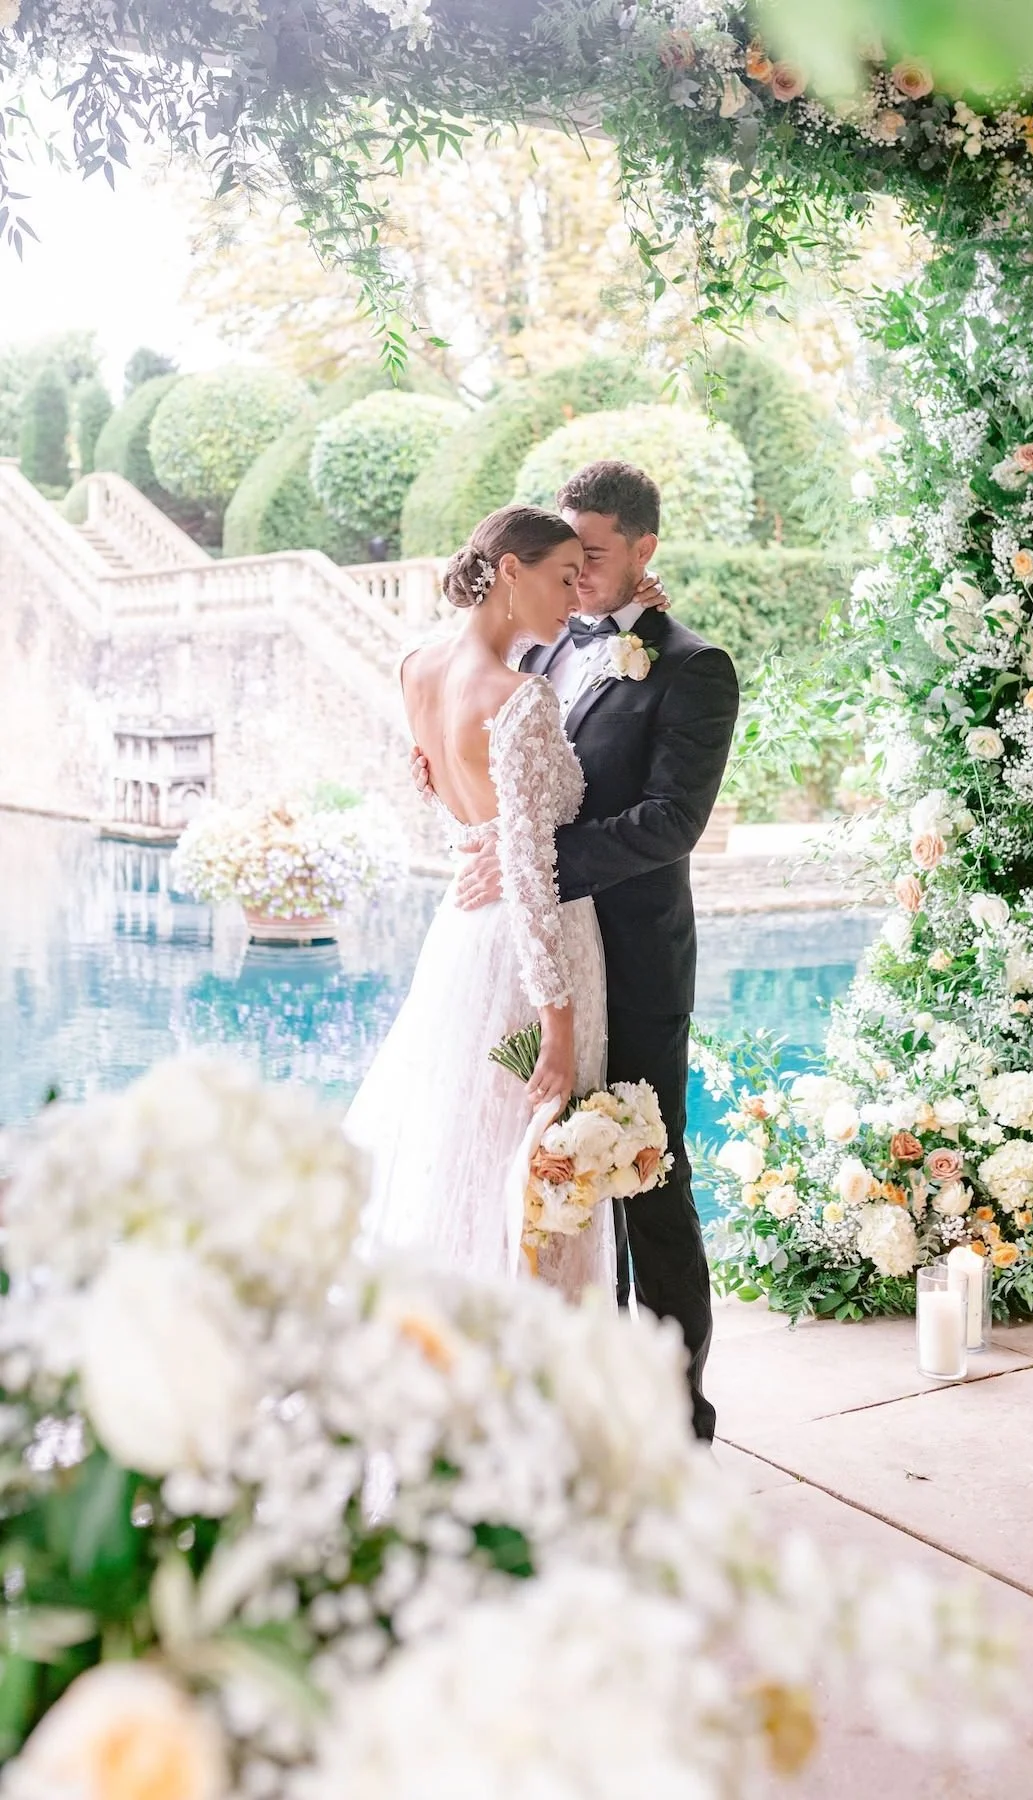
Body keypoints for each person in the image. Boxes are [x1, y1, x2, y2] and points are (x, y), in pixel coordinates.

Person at [415, 462, 740, 1438]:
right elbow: (488, 766)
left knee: (645, 1180)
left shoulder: (692, 667)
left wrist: (532, 860)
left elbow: (670, 822)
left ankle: (676, 1413)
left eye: (594, 553)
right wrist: (470, 815)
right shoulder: (544, 645)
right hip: (531, 962)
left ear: (644, 550)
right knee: (536, 1181)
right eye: (566, 554)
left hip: (632, 964)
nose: (578, 571)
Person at [342, 503, 615, 1300]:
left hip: (463, 935)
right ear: (510, 572)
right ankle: (528, 1343)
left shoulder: (416, 670)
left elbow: (443, 797)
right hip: (535, 950)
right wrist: (558, 1029)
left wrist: (483, 836)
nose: (575, 597)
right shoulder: (522, 697)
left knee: (461, 1141)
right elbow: (530, 873)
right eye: (564, 578)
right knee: (531, 1169)